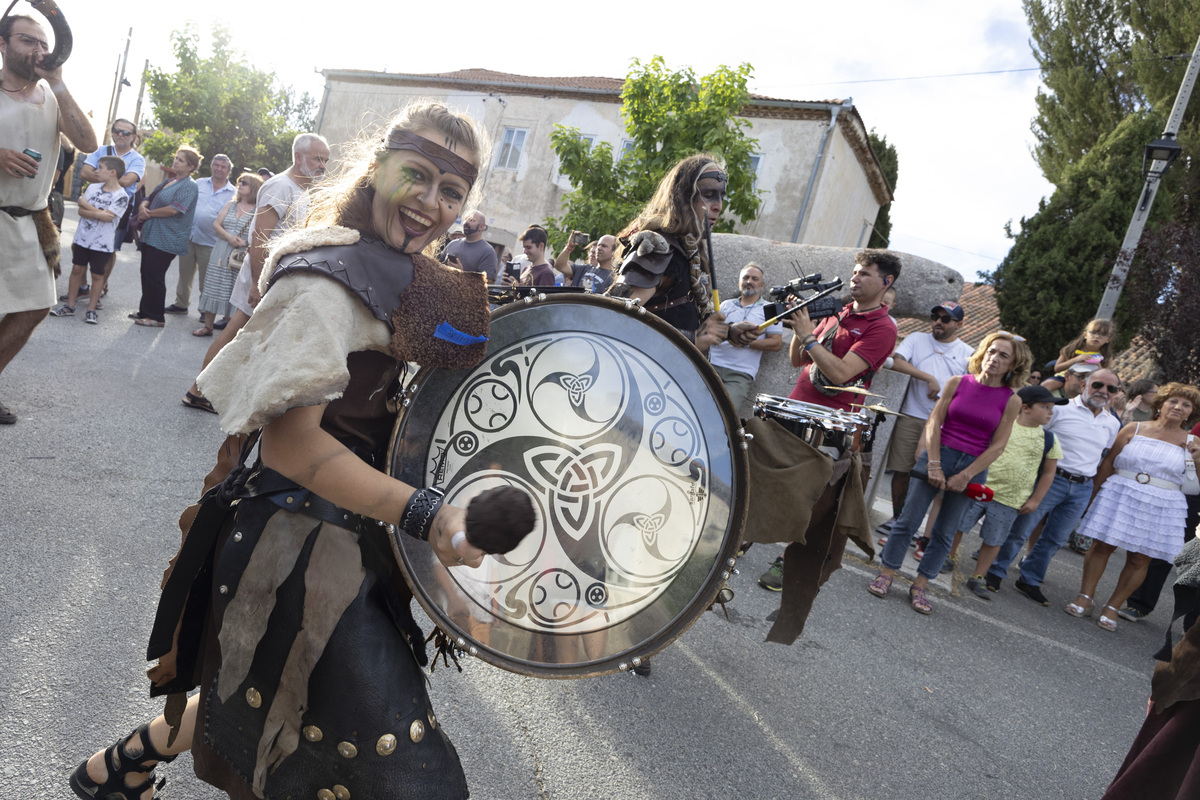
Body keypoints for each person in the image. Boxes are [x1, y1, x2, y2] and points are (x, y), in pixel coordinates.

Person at [69, 101, 532, 800]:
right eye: (418, 175)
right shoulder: (327, 277)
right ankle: (118, 766)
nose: (430, 203)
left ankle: (118, 765)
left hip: (353, 537)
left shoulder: (414, 279)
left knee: (271, 700)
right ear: (377, 167)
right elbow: (293, 448)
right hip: (293, 547)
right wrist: (429, 514)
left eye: (452, 191)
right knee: (395, 768)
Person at [752, 250, 900, 643]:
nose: (855, 279)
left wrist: (807, 333)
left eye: (865, 274)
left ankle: (790, 562)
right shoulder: (839, 310)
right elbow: (797, 359)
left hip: (829, 428)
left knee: (809, 506)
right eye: (854, 272)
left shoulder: (882, 328)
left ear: (885, 282)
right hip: (794, 411)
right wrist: (805, 325)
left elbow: (840, 373)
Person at [868, 332, 1026, 613]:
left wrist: (966, 475)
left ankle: (920, 585)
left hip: (973, 467)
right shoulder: (957, 383)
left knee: (945, 532)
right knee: (907, 521)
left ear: (1013, 364)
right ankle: (887, 573)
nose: (994, 358)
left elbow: (998, 445)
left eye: (1004, 355)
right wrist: (934, 464)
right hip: (939, 454)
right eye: (992, 351)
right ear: (982, 353)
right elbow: (934, 423)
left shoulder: (1011, 400)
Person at [0, 13, 98, 424]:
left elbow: (88, 143)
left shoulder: (54, 97)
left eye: (43, 43)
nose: (38, 50)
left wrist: (58, 82)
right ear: (3, 44)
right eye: (27, 41)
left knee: (37, 306)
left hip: (30, 221)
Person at [183, 134, 329, 405]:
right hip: (261, 275)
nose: (323, 166)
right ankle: (197, 391)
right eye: (318, 159)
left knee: (249, 337)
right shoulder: (280, 187)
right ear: (299, 157)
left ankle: (219, 393)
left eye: (326, 160)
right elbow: (259, 240)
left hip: (276, 277)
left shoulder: (303, 190)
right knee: (234, 333)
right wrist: (256, 284)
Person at [1065, 383, 1200, 631]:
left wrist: (1197, 460)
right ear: (1161, 404)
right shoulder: (1133, 428)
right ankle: (1085, 596)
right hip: (1121, 492)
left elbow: (1193, 486)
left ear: (1191, 412)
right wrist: (1093, 496)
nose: (1178, 407)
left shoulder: (1193, 442)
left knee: (1140, 558)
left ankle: (1113, 607)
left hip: (1163, 503)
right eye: (1173, 401)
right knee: (1102, 545)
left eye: (1186, 404)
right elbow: (1108, 464)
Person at [985, 368, 1123, 600]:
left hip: (1082, 486)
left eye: (1111, 388)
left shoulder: (1112, 424)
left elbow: (1103, 455)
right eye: (1098, 384)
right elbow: (1034, 436)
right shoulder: (1059, 409)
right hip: (1052, 479)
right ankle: (994, 572)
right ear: (1083, 385)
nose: (1103, 391)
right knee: (1022, 530)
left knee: (1055, 539)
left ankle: (1029, 579)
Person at [607, 153, 730, 351]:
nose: (718, 206)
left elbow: (680, 317)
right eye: (708, 195)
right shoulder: (657, 248)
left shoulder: (689, 250)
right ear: (683, 196)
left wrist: (730, 332)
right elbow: (612, 321)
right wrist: (693, 340)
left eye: (721, 196)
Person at [959, 383, 1065, 598]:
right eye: (1045, 407)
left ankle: (979, 575)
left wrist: (1036, 500)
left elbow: (1048, 473)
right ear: (1025, 408)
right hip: (981, 486)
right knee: (959, 524)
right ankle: (947, 557)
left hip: (1011, 497)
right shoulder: (1002, 425)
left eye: (1051, 408)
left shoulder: (1049, 439)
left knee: (995, 538)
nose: (1050, 412)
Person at [880, 300, 973, 532]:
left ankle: (920, 528)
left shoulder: (968, 353)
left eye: (945, 319)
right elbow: (896, 362)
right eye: (935, 317)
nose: (938, 322)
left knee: (931, 476)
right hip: (911, 414)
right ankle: (897, 518)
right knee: (902, 470)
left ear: (959, 324)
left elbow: (969, 389)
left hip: (944, 424)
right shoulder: (916, 339)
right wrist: (927, 378)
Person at [49, 156, 128, 324]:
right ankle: (69, 306)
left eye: (100, 168)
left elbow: (108, 217)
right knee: (77, 270)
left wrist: (87, 205)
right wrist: (98, 212)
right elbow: (81, 212)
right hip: (82, 239)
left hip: (102, 244)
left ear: (112, 172)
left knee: (97, 275)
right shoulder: (93, 187)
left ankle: (91, 309)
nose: (96, 171)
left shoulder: (121, 196)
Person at [130, 147, 202, 327]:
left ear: (190, 167)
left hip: (167, 238)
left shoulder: (190, 186)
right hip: (151, 235)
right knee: (146, 273)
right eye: (176, 158)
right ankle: (145, 311)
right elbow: (149, 197)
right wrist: (142, 207)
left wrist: (149, 214)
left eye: (181, 160)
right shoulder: (168, 182)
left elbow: (174, 210)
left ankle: (156, 317)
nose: (175, 161)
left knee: (155, 275)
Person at [75, 118, 144, 298]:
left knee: (108, 249)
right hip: (93, 203)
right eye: (117, 130)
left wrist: (99, 175)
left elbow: (129, 181)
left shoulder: (138, 159)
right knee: (78, 244)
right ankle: (83, 287)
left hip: (119, 208)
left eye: (125, 133)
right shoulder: (101, 150)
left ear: (133, 137)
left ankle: (98, 290)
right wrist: (111, 178)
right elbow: (84, 173)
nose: (120, 135)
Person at [191, 172, 261, 340]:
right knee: (213, 285)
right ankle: (207, 326)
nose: (240, 184)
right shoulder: (231, 204)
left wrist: (245, 243)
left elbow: (259, 234)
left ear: (254, 189)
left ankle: (231, 331)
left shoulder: (259, 211)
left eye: (245, 183)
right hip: (222, 249)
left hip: (242, 254)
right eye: (239, 182)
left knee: (236, 288)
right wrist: (229, 237)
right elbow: (217, 224)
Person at [707, 262, 782, 411]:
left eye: (755, 279)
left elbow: (776, 343)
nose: (749, 281)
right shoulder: (725, 305)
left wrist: (745, 342)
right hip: (710, 366)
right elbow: (710, 331)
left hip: (739, 374)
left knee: (725, 417)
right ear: (739, 282)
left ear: (762, 285)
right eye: (746, 277)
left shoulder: (770, 309)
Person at [166, 152, 235, 315]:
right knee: (184, 274)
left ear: (228, 171)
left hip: (211, 241)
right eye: (216, 165)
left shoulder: (233, 193)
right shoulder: (199, 183)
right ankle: (181, 304)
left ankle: (205, 311)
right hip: (189, 236)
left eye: (223, 167)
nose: (219, 169)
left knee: (207, 279)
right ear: (211, 166)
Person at [1040, 318, 1115, 393]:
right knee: (1045, 385)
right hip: (1065, 377)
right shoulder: (1071, 349)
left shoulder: (1106, 356)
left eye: (1103, 334)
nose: (1097, 336)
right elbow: (1057, 368)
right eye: (1093, 332)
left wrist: (1097, 365)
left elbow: (1106, 377)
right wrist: (1076, 359)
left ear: (1108, 339)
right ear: (1085, 334)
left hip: (1090, 382)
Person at [442, 209, 497, 283]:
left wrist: (461, 274)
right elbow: (438, 265)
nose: (466, 222)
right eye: (465, 219)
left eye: (471, 220)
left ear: (481, 227)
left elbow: (487, 283)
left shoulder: (488, 252)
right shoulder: (453, 244)